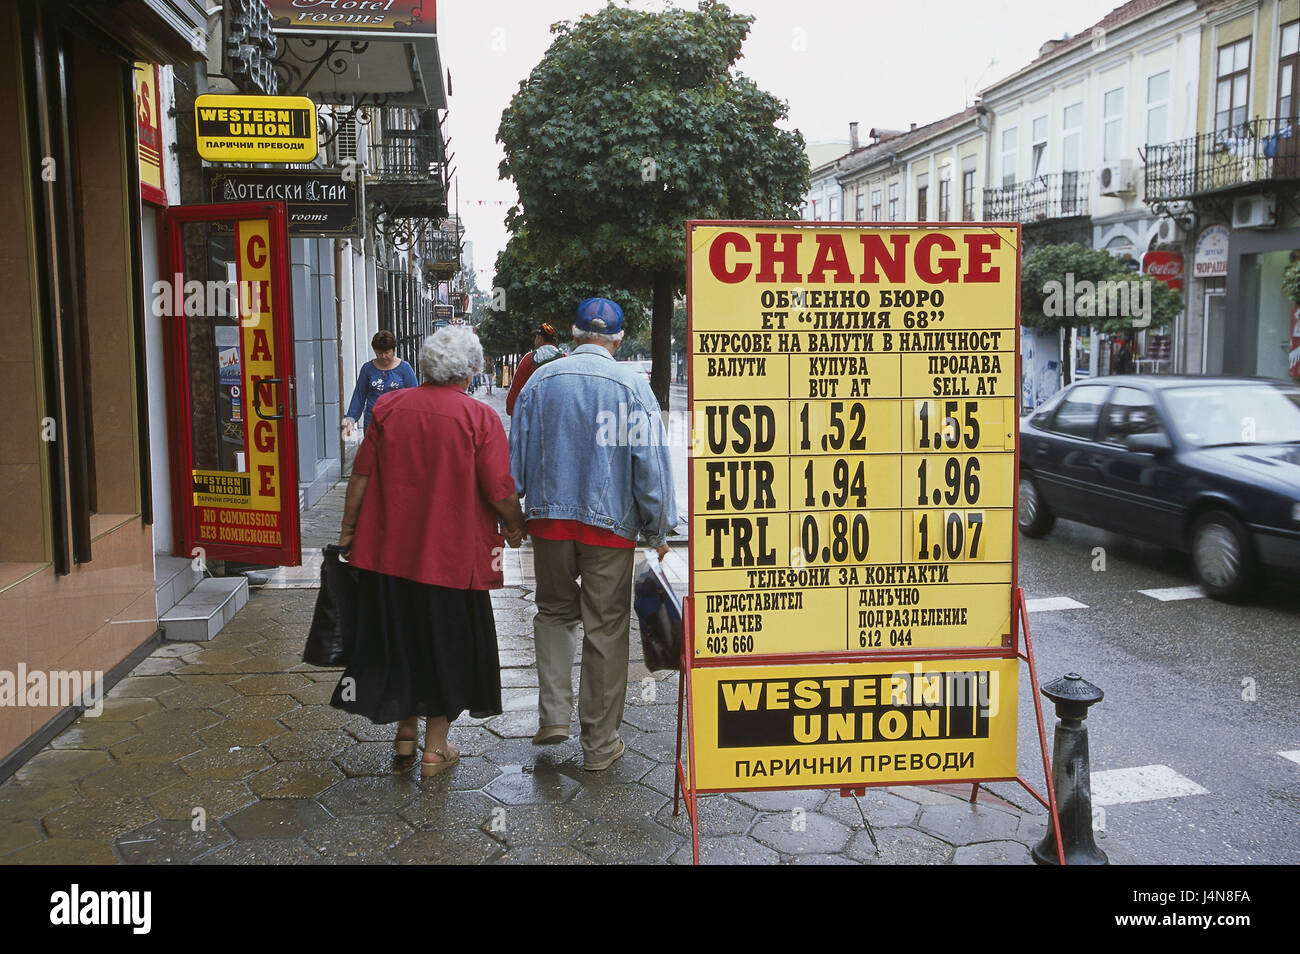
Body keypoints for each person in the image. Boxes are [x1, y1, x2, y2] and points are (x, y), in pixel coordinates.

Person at [331, 326, 525, 776]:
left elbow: (360, 476)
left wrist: (347, 531)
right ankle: (435, 750)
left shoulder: (391, 408)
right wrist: (515, 524)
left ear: (425, 365)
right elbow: (498, 488)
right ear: (472, 370)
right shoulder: (479, 419)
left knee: (401, 639)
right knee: (445, 646)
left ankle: (404, 734)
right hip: (452, 560)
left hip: (388, 555)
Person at [509, 297, 677, 771]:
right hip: (610, 529)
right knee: (606, 628)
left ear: (574, 332)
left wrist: (511, 514)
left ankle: (554, 715)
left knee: (554, 613)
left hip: (548, 524)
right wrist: (658, 527)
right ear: (619, 339)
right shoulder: (632, 387)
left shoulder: (540, 381)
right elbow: (651, 467)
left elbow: (514, 458)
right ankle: (600, 745)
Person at [342, 330, 418, 435]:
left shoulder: (405, 368)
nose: (383, 356)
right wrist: (350, 419)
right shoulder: (367, 368)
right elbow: (359, 396)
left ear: (393, 350)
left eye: (387, 353)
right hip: (373, 423)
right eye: (379, 353)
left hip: (397, 423)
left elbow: (415, 396)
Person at [505, 323, 565, 415]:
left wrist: (511, 409)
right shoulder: (565, 358)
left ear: (540, 339)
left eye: (536, 337)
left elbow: (516, 388)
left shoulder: (528, 359)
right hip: (558, 414)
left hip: (533, 415)